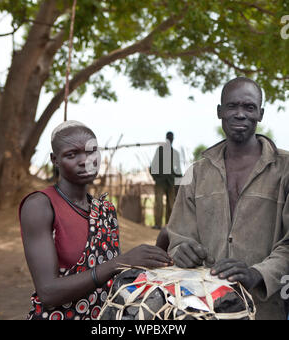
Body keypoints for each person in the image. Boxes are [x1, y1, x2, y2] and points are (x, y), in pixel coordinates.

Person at [19, 120, 172, 320]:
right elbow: (48, 292)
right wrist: (120, 262)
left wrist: (162, 243)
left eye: (91, 152)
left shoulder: (105, 210)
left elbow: (112, 280)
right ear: (55, 160)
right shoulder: (40, 205)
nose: (85, 161)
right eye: (71, 155)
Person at [167, 77, 289, 320]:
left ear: (261, 114)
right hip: (204, 308)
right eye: (232, 106)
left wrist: (258, 274)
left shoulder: (284, 169)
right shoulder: (197, 172)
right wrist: (181, 250)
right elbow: (178, 237)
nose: (240, 114)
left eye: (249, 107)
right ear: (219, 112)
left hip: (264, 310)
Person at [150, 132, 182, 230]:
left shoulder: (175, 153)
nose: (170, 140)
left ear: (173, 139)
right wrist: (156, 177)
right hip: (160, 182)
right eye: (169, 138)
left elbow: (178, 170)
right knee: (159, 203)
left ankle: (169, 226)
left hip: (171, 182)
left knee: (171, 205)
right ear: (167, 139)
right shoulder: (160, 150)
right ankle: (158, 224)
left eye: (171, 138)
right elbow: (153, 166)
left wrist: (178, 183)